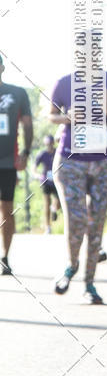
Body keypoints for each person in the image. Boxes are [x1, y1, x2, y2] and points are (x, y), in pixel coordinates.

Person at [49, 70, 107, 303]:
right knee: (76, 219)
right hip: (69, 161)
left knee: (96, 221)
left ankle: (89, 284)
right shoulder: (64, 82)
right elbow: (51, 116)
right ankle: (71, 265)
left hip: (104, 162)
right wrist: (68, 117)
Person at [0, 54, 33, 274]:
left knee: (6, 210)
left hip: (7, 161)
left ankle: (5, 258)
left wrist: (26, 152)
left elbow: (28, 125)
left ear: (2, 68)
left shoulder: (17, 93)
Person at [34, 134, 60, 234]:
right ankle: (48, 227)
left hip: (57, 180)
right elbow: (34, 167)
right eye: (47, 144)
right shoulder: (42, 154)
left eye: (50, 144)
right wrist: (37, 175)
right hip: (45, 181)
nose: (49, 146)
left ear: (53, 143)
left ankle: (54, 209)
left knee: (58, 202)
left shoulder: (58, 152)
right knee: (47, 202)